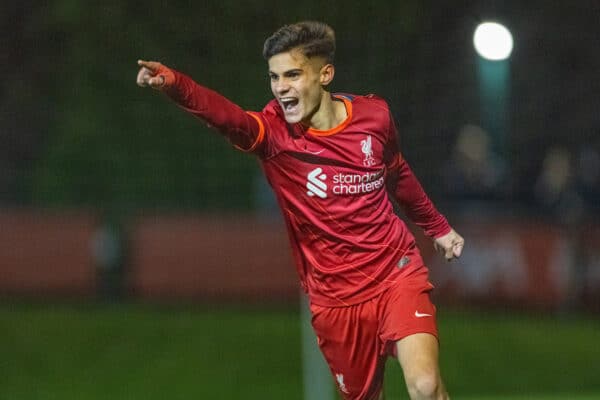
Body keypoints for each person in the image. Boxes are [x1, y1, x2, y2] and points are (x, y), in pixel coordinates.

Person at [136, 21, 464, 400]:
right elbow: (226, 117)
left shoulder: (375, 117)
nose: (281, 88)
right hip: (335, 301)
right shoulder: (274, 136)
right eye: (274, 77)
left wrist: (437, 227)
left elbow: (398, 173)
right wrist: (175, 84)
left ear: (325, 74)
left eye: (292, 74)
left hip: (396, 272)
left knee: (424, 385)